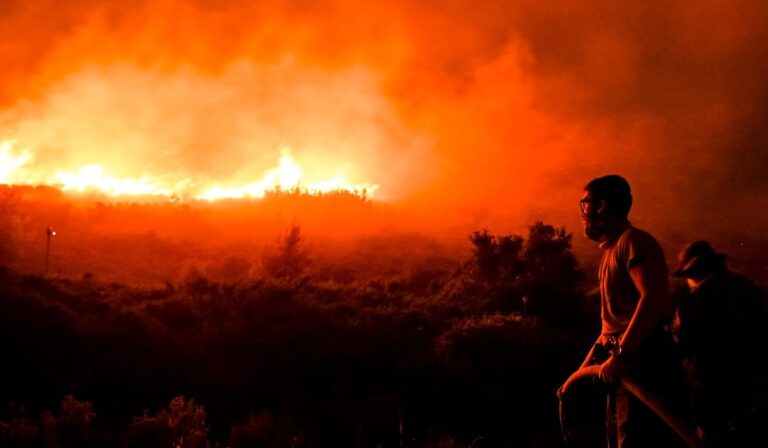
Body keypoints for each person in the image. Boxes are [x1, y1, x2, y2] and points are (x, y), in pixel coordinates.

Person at [558, 175, 688, 447]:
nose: (582, 213)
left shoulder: (633, 242)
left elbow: (653, 298)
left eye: (586, 204)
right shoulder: (612, 250)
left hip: (645, 362)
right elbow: (612, 324)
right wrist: (582, 371)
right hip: (624, 364)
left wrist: (622, 354)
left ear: (602, 206)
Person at [671, 240, 768, 446]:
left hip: (714, 390)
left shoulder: (694, 303)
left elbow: (683, 347)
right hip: (756, 389)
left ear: (692, 274)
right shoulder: (747, 288)